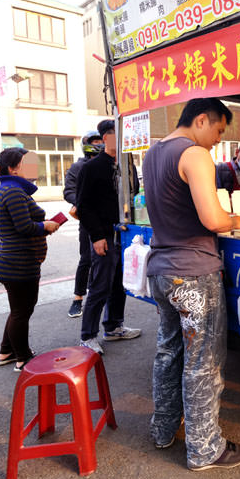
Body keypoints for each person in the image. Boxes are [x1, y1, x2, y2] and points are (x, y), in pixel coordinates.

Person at [142, 97, 240, 471]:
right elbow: (213, 220)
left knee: (169, 353)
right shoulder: (194, 154)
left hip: (161, 271)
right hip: (193, 274)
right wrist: (237, 220)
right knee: (203, 362)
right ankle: (205, 449)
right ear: (201, 119)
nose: (218, 139)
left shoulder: (153, 154)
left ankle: (163, 430)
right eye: (219, 130)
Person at [0, 148, 61, 372]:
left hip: (15, 260)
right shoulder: (13, 191)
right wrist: (45, 226)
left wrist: (44, 226)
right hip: (18, 263)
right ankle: (23, 359)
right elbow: (24, 227)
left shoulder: (12, 189)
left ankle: (6, 351)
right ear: (13, 169)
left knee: (18, 310)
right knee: (21, 312)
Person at [76, 119, 141, 354]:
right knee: (100, 286)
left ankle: (113, 326)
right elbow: (83, 206)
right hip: (104, 235)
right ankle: (88, 335)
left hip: (125, 234)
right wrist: (96, 236)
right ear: (106, 138)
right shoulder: (92, 167)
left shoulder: (127, 164)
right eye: (120, 134)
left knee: (119, 284)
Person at [63, 130, 105, 318]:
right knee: (86, 259)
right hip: (88, 219)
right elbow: (68, 191)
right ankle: (78, 298)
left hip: (108, 220)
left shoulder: (110, 163)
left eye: (100, 141)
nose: (98, 144)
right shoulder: (78, 167)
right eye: (95, 142)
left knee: (107, 260)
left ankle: (102, 297)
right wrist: (83, 203)